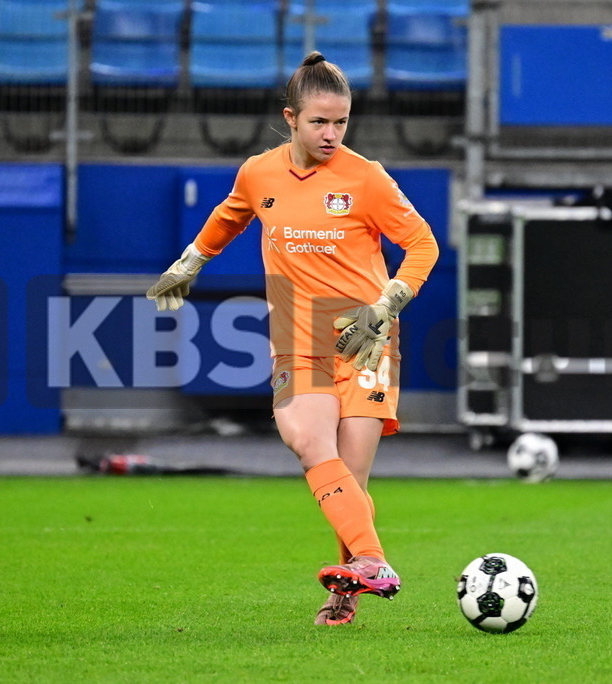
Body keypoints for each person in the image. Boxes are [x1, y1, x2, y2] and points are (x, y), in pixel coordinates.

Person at [145, 52, 439, 625]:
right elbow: (230, 216)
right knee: (308, 441)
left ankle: (346, 591)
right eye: (319, 122)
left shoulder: (367, 178)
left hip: (367, 337)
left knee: (349, 479)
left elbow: (423, 244)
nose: (331, 134)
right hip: (297, 337)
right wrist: (190, 261)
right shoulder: (259, 172)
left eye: (341, 122)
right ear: (291, 117)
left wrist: (386, 304)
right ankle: (374, 562)